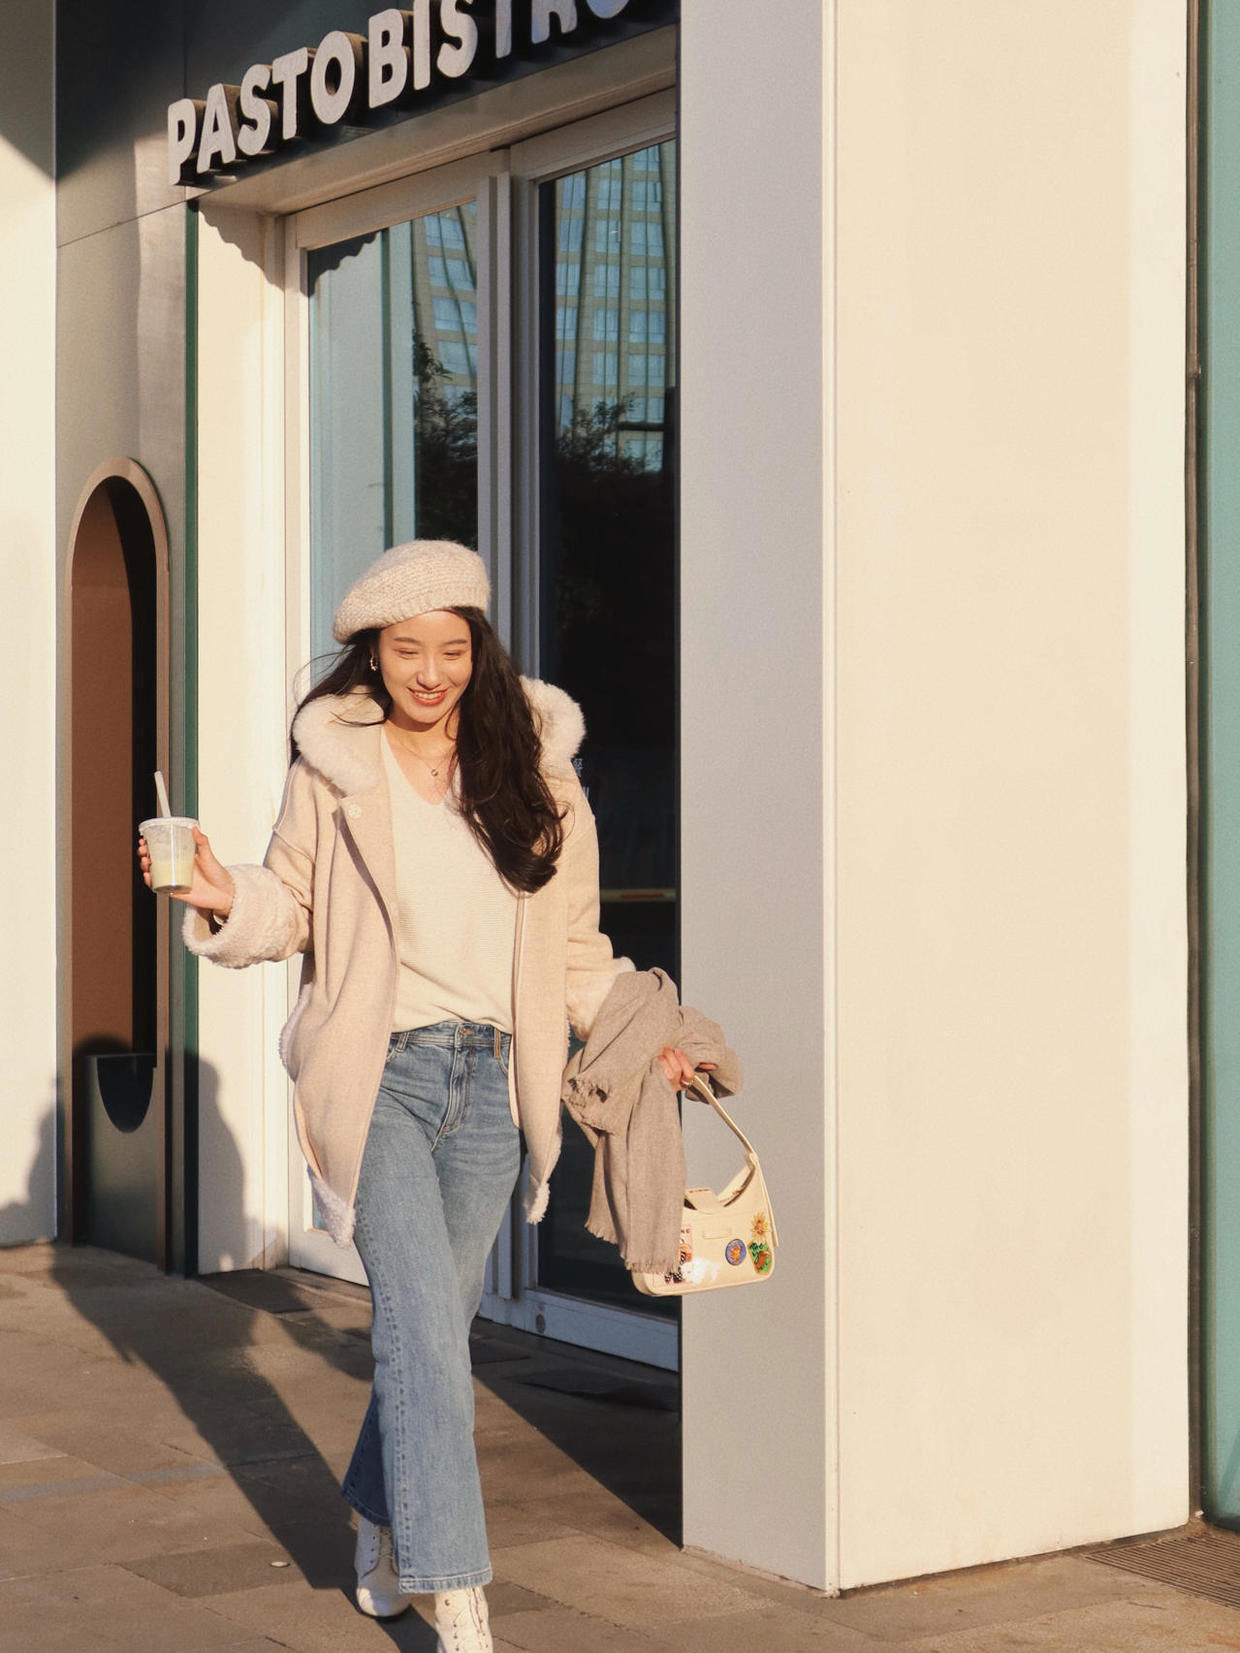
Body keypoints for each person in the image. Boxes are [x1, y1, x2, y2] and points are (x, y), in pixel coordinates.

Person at [138, 539, 702, 1653]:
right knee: (423, 1331)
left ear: (478, 649)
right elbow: (290, 904)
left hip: (494, 1081)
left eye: (451, 649)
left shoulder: (539, 772)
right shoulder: (334, 767)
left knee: (432, 1331)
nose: (430, 672)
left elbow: (575, 949)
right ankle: (457, 1592)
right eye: (407, 651)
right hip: (381, 1075)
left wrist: (648, 1037)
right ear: (373, 653)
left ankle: (375, 1505)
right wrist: (217, 892)